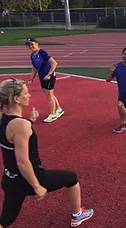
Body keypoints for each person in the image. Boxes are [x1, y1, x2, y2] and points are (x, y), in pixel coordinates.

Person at [0, 78, 94, 227]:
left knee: (5, 220)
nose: (29, 95)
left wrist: (30, 120)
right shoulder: (21, 125)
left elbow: (14, 135)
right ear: (17, 99)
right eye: (26, 93)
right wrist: (37, 186)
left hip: (9, 179)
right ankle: (77, 214)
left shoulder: (6, 121)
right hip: (30, 178)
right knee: (71, 178)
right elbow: (22, 161)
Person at [25, 37, 64, 123]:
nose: (31, 46)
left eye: (32, 44)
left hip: (49, 76)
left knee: (49, 96)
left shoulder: (42, 53)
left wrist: (49, 74)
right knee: (49, 94)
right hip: (42, 77)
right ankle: (59, 109)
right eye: (29, 45)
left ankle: (53, 114)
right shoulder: (32, 56)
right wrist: (31, 78)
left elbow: (54, 63)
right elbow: (34, 68)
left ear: (36, 44)